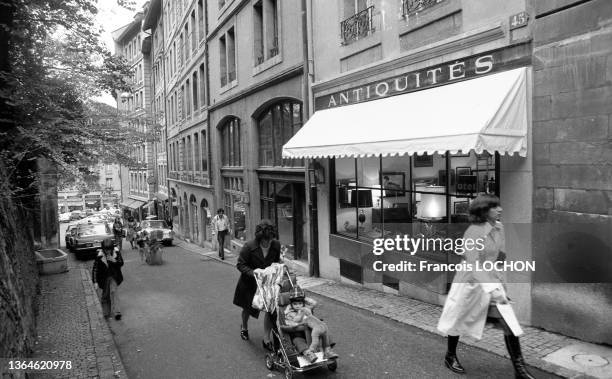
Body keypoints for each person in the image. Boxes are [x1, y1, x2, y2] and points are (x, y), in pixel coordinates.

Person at [437, 194, 535, 379]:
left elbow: (501, 258)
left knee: (509, 323)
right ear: (483, 211)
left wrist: (501, 287)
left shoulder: (499, 227)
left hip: (491, 282)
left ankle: (519, 370)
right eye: (495, 207)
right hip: (470, 284)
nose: (500, 209)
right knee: (457, 320)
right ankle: (450, 356)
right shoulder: (472, 233)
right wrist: (494, 288)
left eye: (499, 206)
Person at [233, 219, 280, 350]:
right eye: (266, 240)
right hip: (250, 284)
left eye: (270, 239)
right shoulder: (249, 246)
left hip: (267, 284)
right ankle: (244, 326)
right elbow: (240, 264)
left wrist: (279, 268)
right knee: (247, 309)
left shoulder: (276, 245)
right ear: (260, 238)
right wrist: (253, 272)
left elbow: (276, 262)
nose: (268, 242)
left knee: (270, 310)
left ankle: (266, 339)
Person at [284, 287, 338, 362]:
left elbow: (314, 303)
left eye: (300, 303)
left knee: (323, 331)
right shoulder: (289, 313)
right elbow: (288, 323)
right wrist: (297, 324)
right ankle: (308, 353)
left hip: (310, 331)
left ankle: (327, 350)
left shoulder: (306, 308)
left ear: (303, 303)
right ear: (291, 304)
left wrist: (304, 298)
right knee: (298, 341)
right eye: (295, 304)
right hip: (298, 333)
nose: (297, 306)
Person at [92, 238, 124, 320]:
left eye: (109, 249)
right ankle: (106, 313)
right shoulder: (99, 256)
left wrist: (114, 261)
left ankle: (117, 313)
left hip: (114, 276)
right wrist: (95, 281)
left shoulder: (116, 252)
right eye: (106, 250)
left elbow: (121, 263)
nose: (108, 252)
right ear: (103, 249)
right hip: (104, 278)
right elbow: (95, 269)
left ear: (112, 248)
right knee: (105, 295)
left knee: (114, 292)